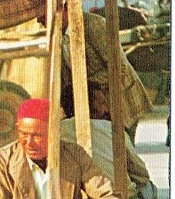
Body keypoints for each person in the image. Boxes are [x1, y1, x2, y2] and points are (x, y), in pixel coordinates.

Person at [60, 83, 159, 199]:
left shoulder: (56, 131)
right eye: (101, 103)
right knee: (150, 189)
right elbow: (141, 174)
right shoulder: (111, 129)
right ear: (87, 105)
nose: (105, 108)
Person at [60, 8, 153, 137]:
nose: (39, 20)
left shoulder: (93, 24)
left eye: (42, 15)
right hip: (98, 109)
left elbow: (119, 68)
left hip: (121, 104)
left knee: (121, 151)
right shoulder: (60, 34)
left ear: (61, 10)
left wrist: (85, 86)